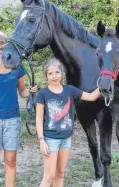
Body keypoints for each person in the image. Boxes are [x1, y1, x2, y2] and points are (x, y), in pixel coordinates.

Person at [0, 30, 38, 187]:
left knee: (10, 161)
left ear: (7, 44)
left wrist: (30, 91)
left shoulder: (16, 67)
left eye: (2, 43)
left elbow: (22, 91)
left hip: (12, 120)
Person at [35, 58, 101, 187]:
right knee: (49, 177)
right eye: (50, 73)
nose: (54, 76)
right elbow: (38, 118)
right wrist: (41, 140)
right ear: (46, 76)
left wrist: (105, 81)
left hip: (66, 139)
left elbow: (92, 97)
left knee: (60, 174)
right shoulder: (42, 94)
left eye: (57, 72)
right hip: (50, 140)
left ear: (61, 73)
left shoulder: (70, 90)